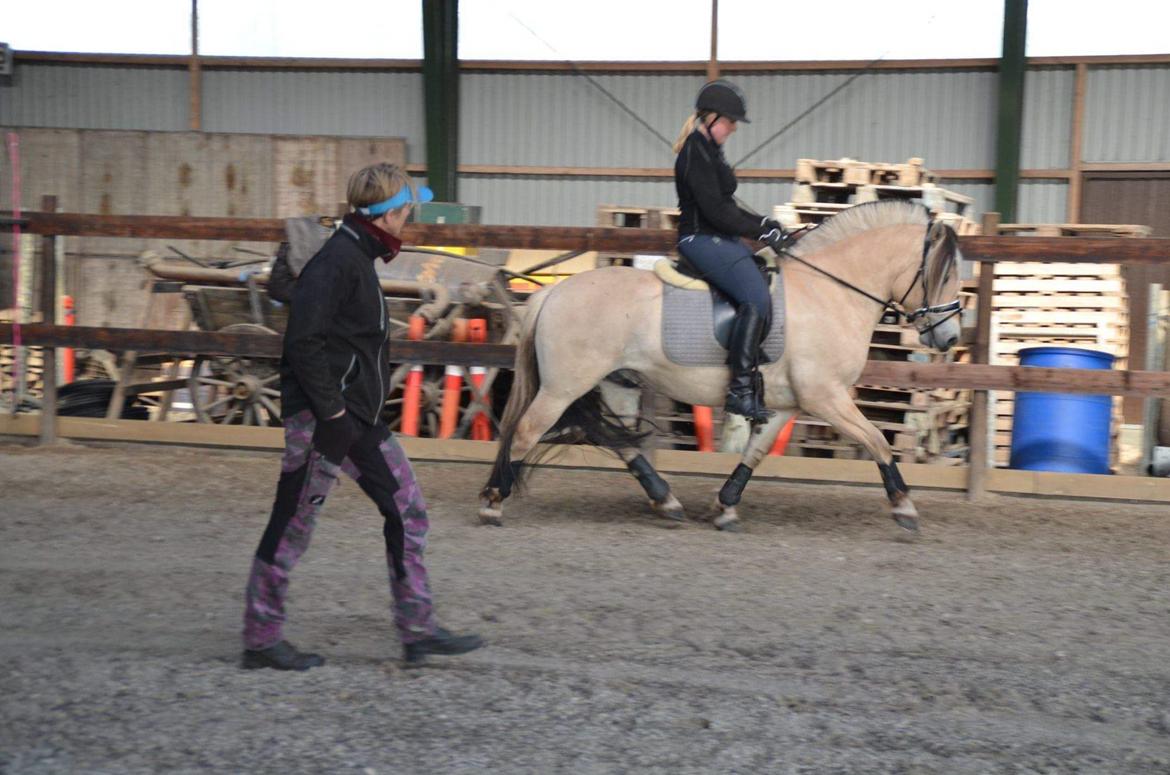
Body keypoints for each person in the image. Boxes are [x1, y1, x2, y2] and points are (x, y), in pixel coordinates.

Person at [241, 162, 484, 670]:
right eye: (407, 210)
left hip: (356, 418)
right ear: (391, 214)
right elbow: (303, 343)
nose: (409, 219)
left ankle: (418, 630)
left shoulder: (357, 254)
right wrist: (329, 413)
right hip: (325, 419)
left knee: (409, 510)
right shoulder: (339, 262)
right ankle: (261, 640)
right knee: (293, 523)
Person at [673, 79, 785, 422]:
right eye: (730, 121)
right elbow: (716, 212)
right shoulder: (695, 153)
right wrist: (760, 230)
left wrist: (766, 222)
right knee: (756, 297)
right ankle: (740, 390)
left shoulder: (710, 151)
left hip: (717, 237)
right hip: (699, 239)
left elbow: (728, 207)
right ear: (711, 118)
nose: (734, 128)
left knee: (763, 278)